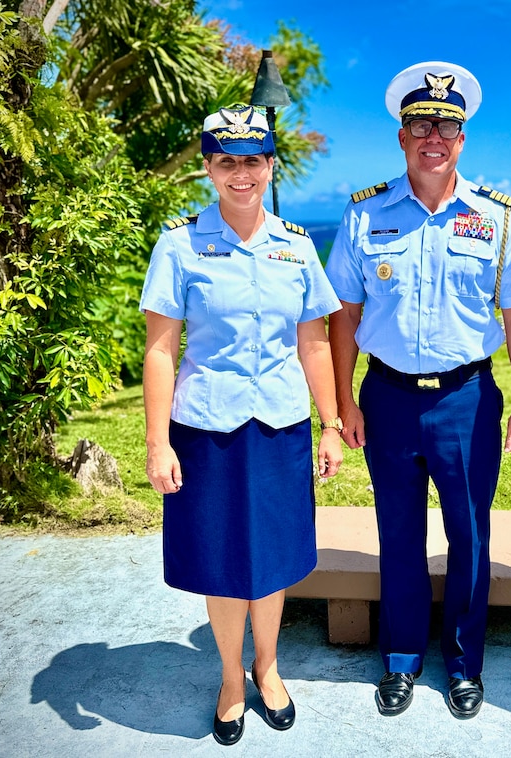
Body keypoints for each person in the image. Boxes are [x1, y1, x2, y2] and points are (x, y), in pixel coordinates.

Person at [325, 61, 511, 720]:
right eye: (421, 122)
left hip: (467, 401)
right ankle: (399, 658)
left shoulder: (496, 215)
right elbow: (343, 317)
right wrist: (340, 407)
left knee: (470, 536)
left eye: (447, 125)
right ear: (401, 135)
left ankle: (462, 661)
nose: (434, 135)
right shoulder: (365, 213)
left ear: (462, 138)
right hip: (387, 399)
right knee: (397, 532)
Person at [140, 104, 343, 746]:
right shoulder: (179, 245)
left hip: (279, 425)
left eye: (252, 160)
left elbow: (314, 345)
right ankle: (231, 676)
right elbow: (161, 350)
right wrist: (156, 442)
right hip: (207, 430)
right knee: (225, 559)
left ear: (269, 166)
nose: (240, 173)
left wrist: (331, 424)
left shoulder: (297, 247)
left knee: (274, 557)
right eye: (226, 161)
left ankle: (269, 665)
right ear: (208, 168)